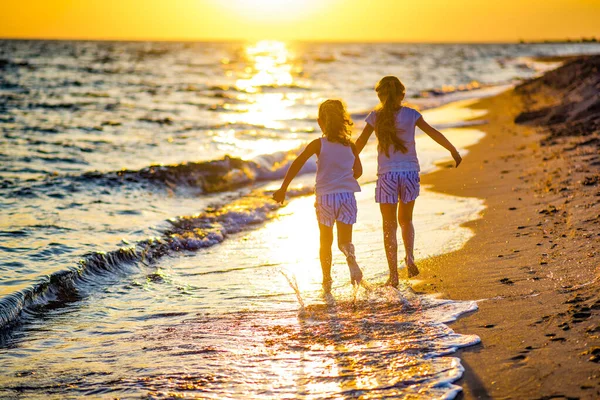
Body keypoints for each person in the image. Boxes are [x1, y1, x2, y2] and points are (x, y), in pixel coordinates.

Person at [355, 76, 462, 287]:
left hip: (387, 176)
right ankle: (410, 257)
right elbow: (433, 133)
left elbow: (359, 143)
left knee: (389, 225)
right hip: (410, 173)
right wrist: (452, 150)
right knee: (406, 220)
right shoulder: (411, 114)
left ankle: (393, 276)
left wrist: (345, 165)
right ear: (402, 95)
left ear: (379, 95)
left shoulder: (374, 117)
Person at [273, 99, 363, 293]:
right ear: (343, 121)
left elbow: (297, 163)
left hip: (325, 198)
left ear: (320, 122)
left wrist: (283, 188)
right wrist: (343, 176)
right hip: (347, 196)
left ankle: (327, 280)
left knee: (325, 241)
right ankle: (350, 257)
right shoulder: (351, 146)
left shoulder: (318, 144)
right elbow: (359, 171)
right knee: (344, 241)